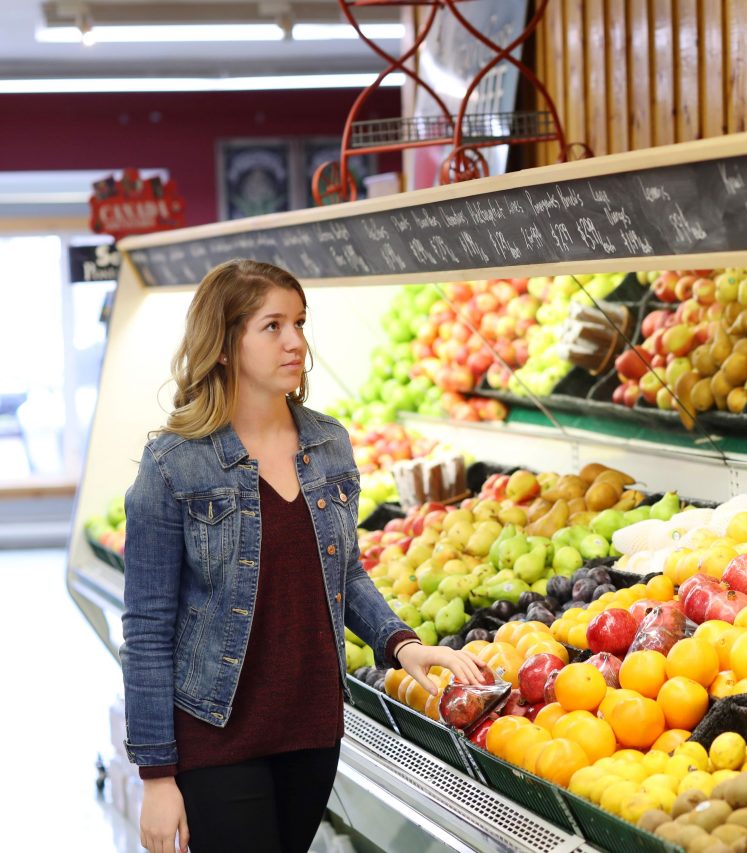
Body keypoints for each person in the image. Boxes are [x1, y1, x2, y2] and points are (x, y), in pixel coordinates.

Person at [121, 259, 485, 853]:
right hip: (217, 731)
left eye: (300, 322)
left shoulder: (328, 443)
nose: (295, 342)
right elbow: (147, 627)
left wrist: (403, 644)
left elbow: (343, 572)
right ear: (222, 345)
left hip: (311, 725)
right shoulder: (172, 465)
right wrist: (157, 776)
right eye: (272, 327)